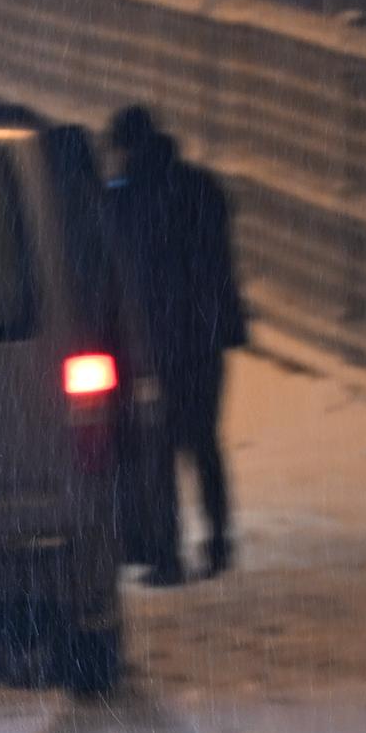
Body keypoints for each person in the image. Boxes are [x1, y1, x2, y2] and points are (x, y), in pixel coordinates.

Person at [98, 105, 246, 583]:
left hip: (159, 339)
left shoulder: (128, 200)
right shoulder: (200, 187)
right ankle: (219, 541)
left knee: (156, 450)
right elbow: (218, 263)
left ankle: (167, 554)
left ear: (128, 147)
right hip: (205, 337)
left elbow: (129, 273)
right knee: (203, 441)